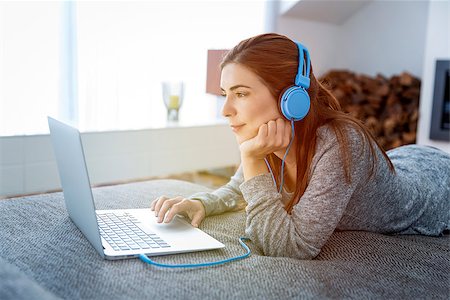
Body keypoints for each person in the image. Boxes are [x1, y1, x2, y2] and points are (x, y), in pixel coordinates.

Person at [151, 33, 450, 260]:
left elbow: (294, 245)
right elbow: (237, 191)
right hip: (405, 159)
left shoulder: (339, 144)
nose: (225, 110)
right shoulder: (271, 137)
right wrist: (201, 202)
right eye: (225, 94)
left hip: (438, 184)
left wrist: (251, 158)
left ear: (291, 98)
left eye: (240, 94)